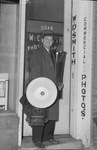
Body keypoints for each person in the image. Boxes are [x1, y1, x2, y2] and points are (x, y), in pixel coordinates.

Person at [20, 29, 63, 148]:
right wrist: (39, 87)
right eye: (46, 39)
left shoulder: (54, 53)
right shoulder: (37, 53)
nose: (49, 42)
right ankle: (37, 139)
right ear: (42, 40)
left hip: (53, 89)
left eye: (51, 40)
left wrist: (59, 84)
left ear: (53, 41)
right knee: (39, 115)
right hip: (42, 89)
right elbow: (35, 71)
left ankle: (48, 137)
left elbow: (57, 71)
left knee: (52, 114)